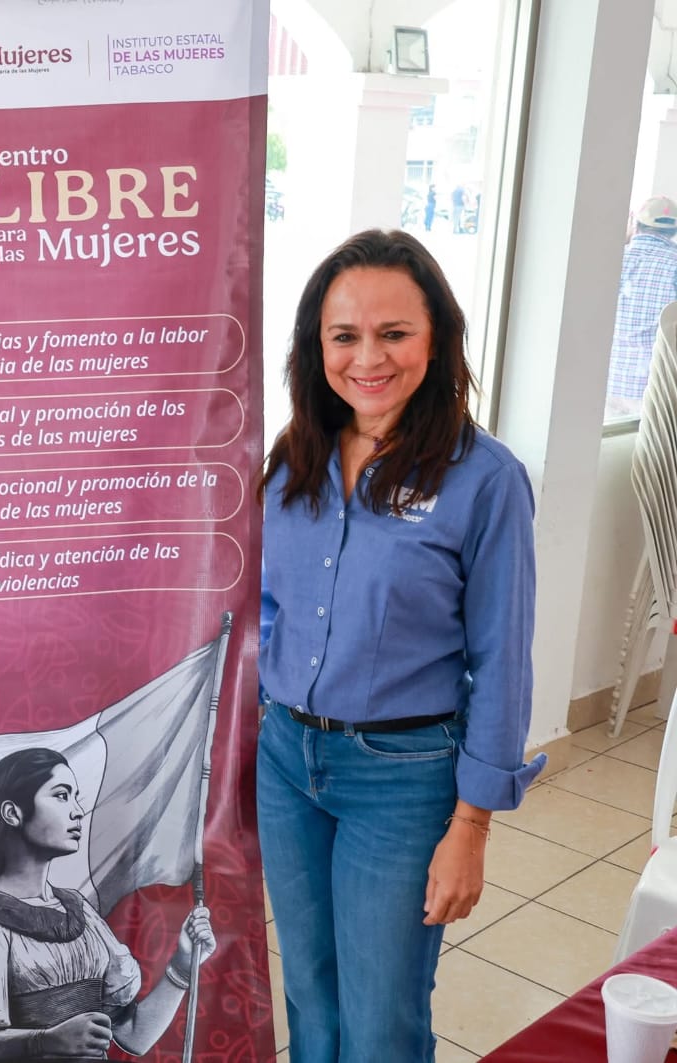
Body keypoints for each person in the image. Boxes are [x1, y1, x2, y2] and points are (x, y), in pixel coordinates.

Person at [256, 229, 544, 1063]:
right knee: (310, 993)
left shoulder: (484, 478)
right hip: (287, 762)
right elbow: (272, 605)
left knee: (381, 1017)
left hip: (403, 778)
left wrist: (472, 826)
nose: (367, 358)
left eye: (394, 333)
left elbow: (503, 662)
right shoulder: (294, 460)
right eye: (345, 335)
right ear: (318, 347)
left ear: (437, 339)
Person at [0, 748, 216, 1061]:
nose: (77, 810)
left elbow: (134, 1036)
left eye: (76, 797)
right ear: (12, 813)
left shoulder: (80, 913)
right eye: (61, 795)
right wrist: (45, 1041)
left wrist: (182, 966)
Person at [606, 195, 677, 417]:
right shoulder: (674, 264)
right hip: (654, 389)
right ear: (673, 231)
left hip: (607, 381)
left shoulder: (612, 258)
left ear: (635, 223)